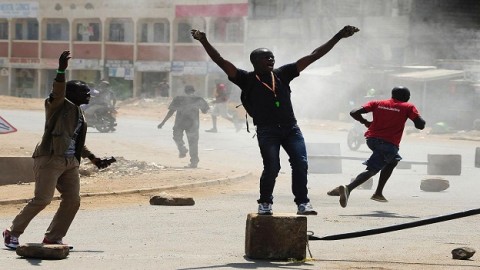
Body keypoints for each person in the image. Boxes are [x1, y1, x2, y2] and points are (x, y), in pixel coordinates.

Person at [191, 25, 359, 215]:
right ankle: (265, 203)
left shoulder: (282, 74)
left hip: (291, 129)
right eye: (266, 57)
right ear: (255, 61)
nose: (271, 59)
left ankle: (303, 203)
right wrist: (204, 40)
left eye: (272, 56)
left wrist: (338, 36)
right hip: (267, 130)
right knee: (272, 167)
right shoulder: (245, 79)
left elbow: (314, 56)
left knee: (301, 163)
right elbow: (220, 60)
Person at [3, 50, 115, 250]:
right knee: (43, 199)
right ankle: (12, 232)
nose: (89, 95)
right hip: (50, 158)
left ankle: (53, 237)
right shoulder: (58, 105)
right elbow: (58, 90)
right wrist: (61, 70)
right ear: (71, 94)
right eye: (85, 92)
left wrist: (94, 159)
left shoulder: (79, 112)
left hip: (70, 162)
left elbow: (74, 141)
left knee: (73, 200)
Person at [329, 86, 426, 208]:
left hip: (371, 140)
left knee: (393, 161)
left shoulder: (377, 103)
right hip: (388, 144)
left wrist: (365, 122)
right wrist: (419, 122)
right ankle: (348, 188)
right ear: (406, 97)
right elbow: (420, 125)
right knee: (373, 169)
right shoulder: (408, 107)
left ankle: (378, 193)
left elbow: (354, 112)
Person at [157, 85, 210, 168]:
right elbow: (205, 111)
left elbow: (171, 111)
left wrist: (163, 123)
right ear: (193, 91)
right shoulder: (198, 99)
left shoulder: (178, 98)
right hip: (193, 124)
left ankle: (182, 148)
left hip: (180, 123)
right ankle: (194, 163)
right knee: (193, 143)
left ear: (185, 91)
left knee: (177, 137)